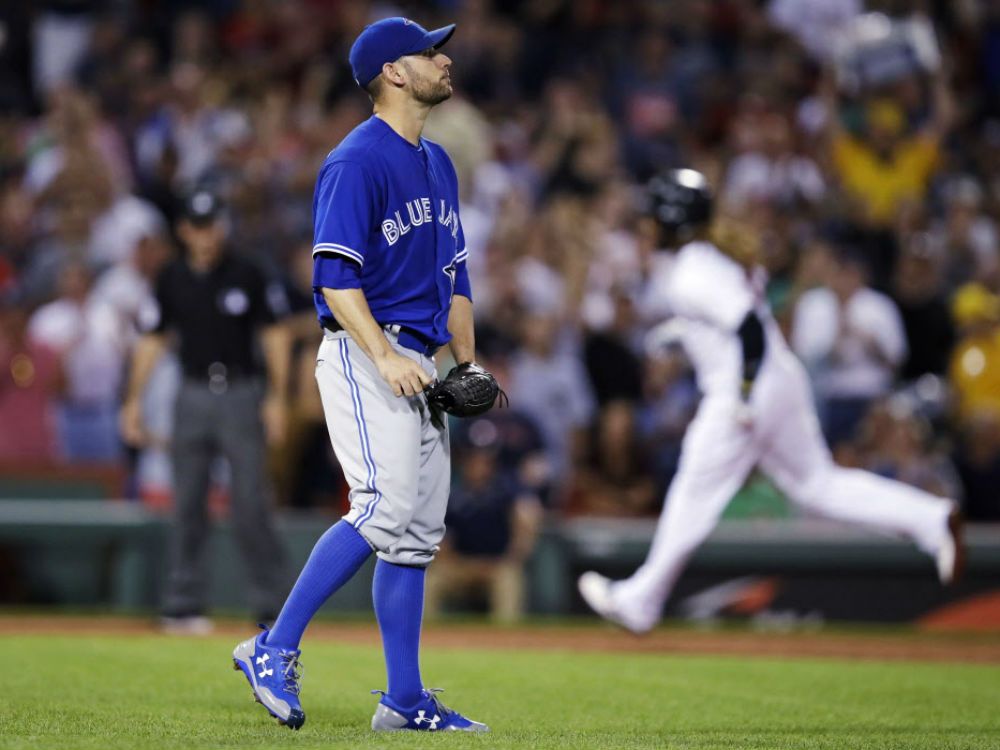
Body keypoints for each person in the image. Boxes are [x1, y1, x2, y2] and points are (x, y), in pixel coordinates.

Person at [231, 17, 492, 733]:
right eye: (428, 51)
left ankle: (403, 703)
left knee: (413, 536)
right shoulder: (356, 160)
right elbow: (333, 276)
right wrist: (382, 353)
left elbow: (456, 275)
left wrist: (464, 362)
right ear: (393, 73)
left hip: (423, 362)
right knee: (380, 506)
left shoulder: (438, 161)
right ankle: (271, 646)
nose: (444, 59)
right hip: (363, 350)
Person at [578, 169, 965, 635]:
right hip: (780, 378)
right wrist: (679, 334)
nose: (645, 226)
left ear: (670, 221)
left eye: (652, 217)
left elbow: (749, 327)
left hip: (746, 386)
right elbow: (734, 317)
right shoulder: (709, 256)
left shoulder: (690, 271)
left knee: (693, 490)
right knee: (818, 485)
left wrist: (741, 395)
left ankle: (642, 598)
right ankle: (931, 519)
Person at [119, 188, 291, 634]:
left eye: (211, 224)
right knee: (187, 503)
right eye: (197, 226)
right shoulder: (171, 276)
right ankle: (182, 604)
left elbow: (276, 334)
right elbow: (153, 337)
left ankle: (273, 608)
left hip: (240, 391)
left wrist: (277, 396)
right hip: (191, 392)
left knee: (250, 502)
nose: (206, 235)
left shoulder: (248, 271)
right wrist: (133, 399)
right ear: (183, 230)